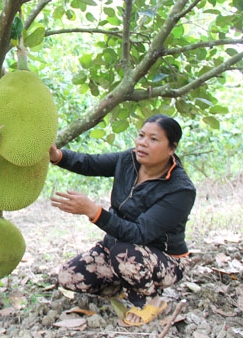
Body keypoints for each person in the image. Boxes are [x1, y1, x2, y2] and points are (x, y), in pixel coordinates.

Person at [49, 114, 196, 326]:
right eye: (141, 135)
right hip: (117, 249)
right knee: (70, 276)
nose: (143, 143)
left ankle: (151, 301)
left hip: (162, 259)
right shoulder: (129, 160)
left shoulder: (180, 190)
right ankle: (125, 285)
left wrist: (94, 211)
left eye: (154, 139)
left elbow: (140, 234)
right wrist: (57, 156)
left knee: (125, 252)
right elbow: (91, 164)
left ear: (171, 148)